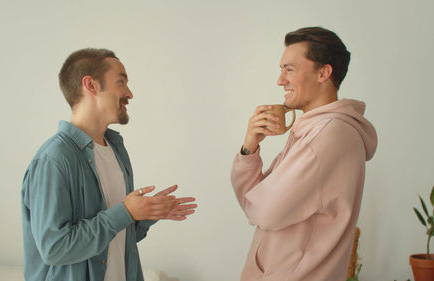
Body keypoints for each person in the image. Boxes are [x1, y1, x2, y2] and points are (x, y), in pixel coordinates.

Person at [21, 48, 197, 281]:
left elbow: (115, 238)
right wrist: (125, 211)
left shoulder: (116, 148)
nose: (130, 93)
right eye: (121, 82)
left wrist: (144, 214)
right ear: (91, 85)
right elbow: (55, 248)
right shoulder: (54, 159)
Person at [230, 27, 377, 280]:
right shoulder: (313, 131)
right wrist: (250, 149)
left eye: (289, 69)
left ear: (323, 72)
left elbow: (263, 212)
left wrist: (259, 198)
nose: (280, 80)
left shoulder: (327, 136)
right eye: (281, 69)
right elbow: (254, 204)